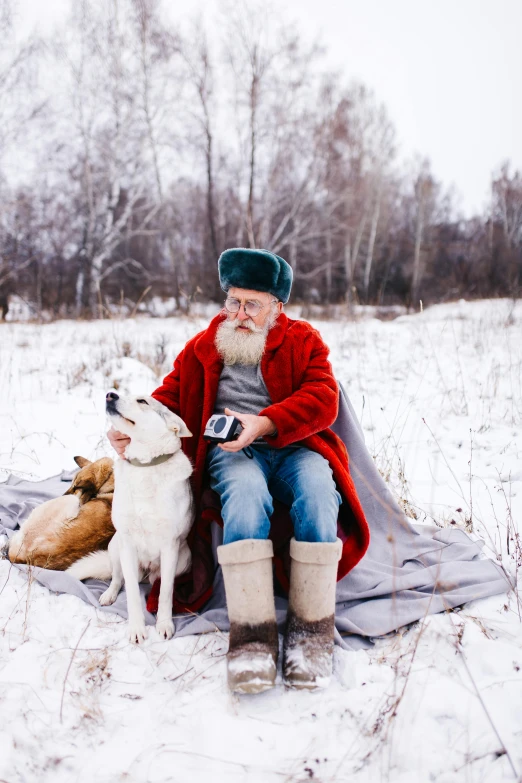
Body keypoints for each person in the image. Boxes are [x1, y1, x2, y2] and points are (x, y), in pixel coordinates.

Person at [108, 248, 369, 693]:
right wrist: (129, 429)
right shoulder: (205, 345)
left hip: (294, 446)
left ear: (277, 307)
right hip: (232, 451)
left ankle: (311, 629)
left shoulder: (304, 340)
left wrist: (266, 422)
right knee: (245, 495)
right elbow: (166, 398)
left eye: (253, 304)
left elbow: (324, 396)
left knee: (319, 492)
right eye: (233, 301)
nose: (241, 314)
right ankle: (251, 634)